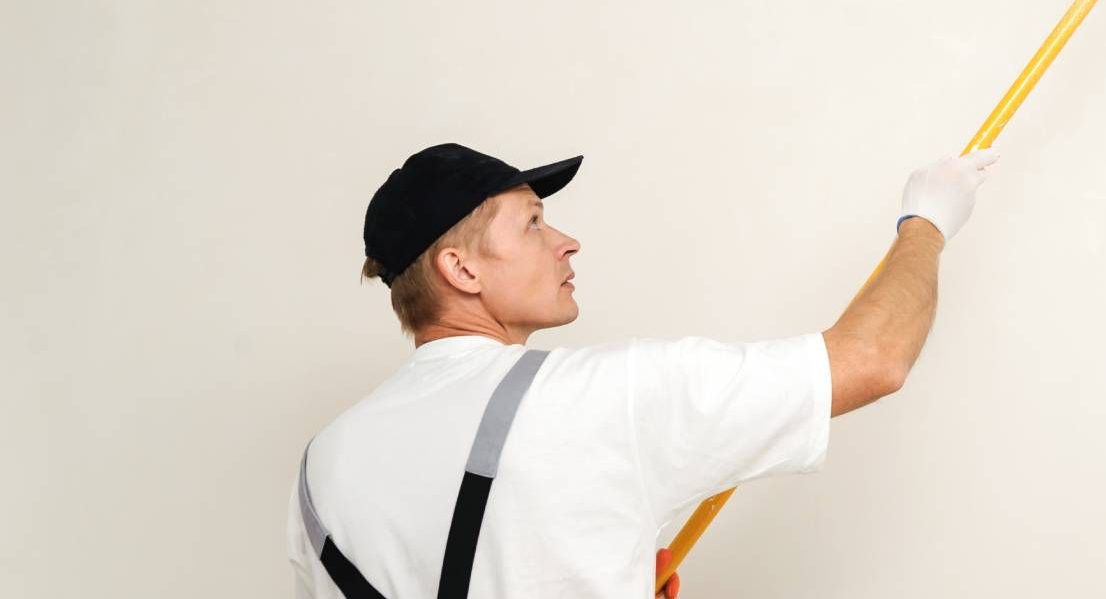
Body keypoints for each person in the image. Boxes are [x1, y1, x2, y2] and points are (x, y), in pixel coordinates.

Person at [287, 141, 1000, 598]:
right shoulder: (601, 400)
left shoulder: (325, 465)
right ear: (460, 267)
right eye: (533, 222)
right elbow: (873, 359)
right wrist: (926, 222)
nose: (567, 241)